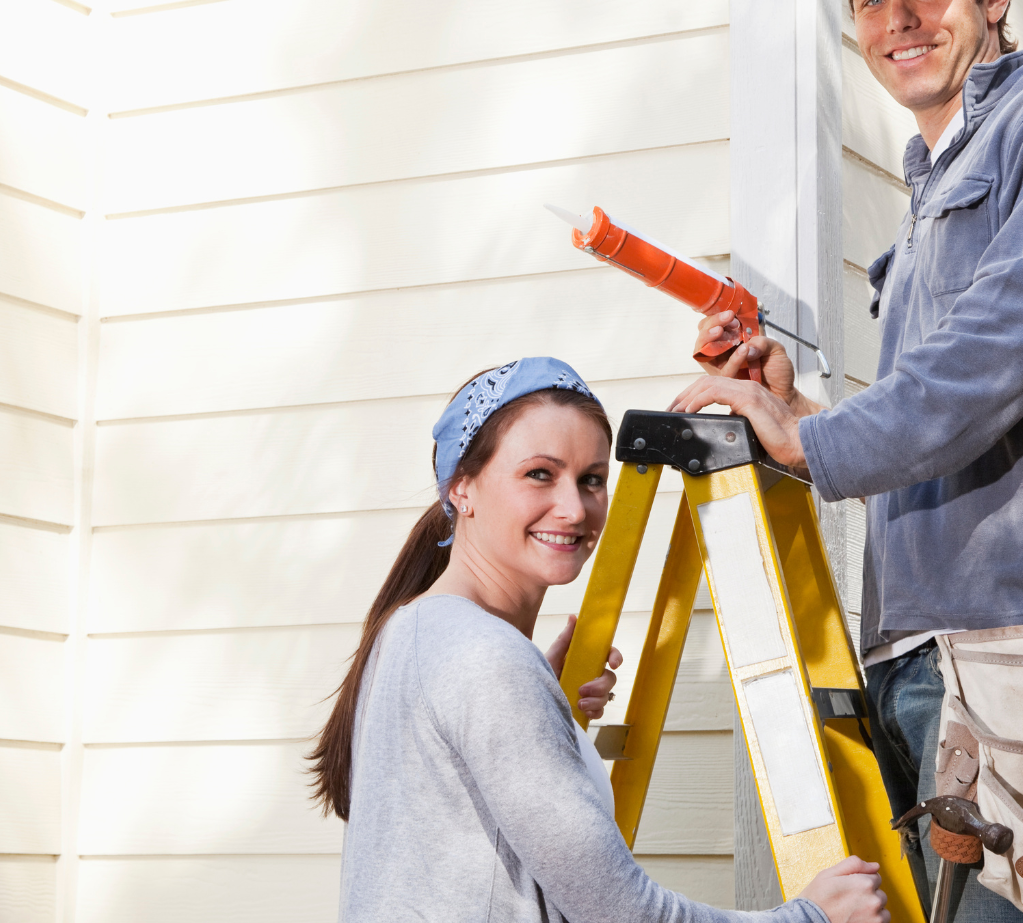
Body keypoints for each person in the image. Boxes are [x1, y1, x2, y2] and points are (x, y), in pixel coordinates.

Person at [668, 0, 1023, 923]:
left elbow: (1011, 342)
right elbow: (934, 400)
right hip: (916, 647)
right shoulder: (936, 183)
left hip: (1015, 633)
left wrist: (818, 443)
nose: (898, 20)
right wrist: (795, 407)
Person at [311, 358, 891, 923]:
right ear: (462, 487)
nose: (573, 507)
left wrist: (542, 698)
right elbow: (622, 915)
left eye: (591, 480)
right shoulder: (484, 659)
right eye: (539, 473)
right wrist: (814, 918)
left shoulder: (414, 630)